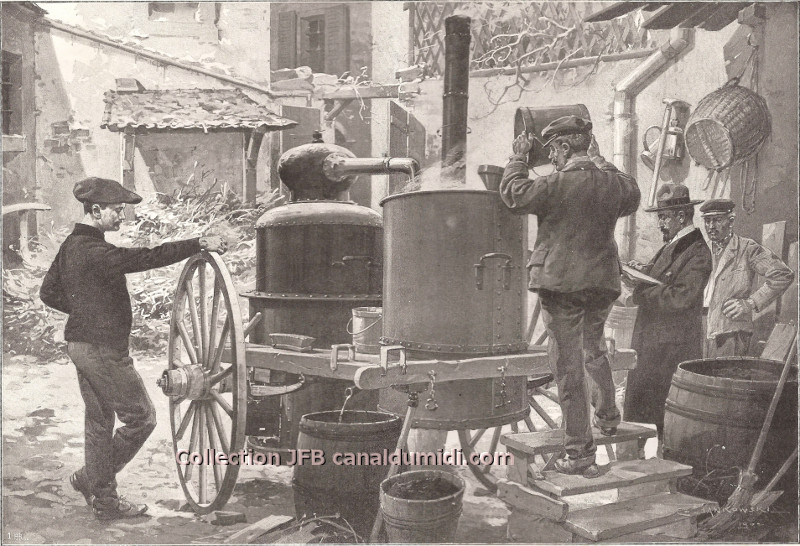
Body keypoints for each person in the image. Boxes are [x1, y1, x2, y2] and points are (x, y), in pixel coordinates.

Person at [39, 177, 228, 520]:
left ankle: (101, 496)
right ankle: (95, 483)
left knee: (99, 424)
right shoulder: (95, 250)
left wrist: (83, 310)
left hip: (80, 345)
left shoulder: (71, 245)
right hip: (102, 350)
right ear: (96, 211)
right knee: (142, 418)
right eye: (117, 210)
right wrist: (196, 243)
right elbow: (146, 257)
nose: (122, 217)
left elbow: (48, 293)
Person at [500, 115, 640, 476]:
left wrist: (518, 158)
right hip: (602, 283)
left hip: (561, 285)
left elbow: (513, 195)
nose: (552, 158)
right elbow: (633, 192)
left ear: (564, 146)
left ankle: (579, 454)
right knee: (594, 348)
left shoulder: (554, 185)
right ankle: (608, 416)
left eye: (553, 150)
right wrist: (601, 159)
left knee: (567, 365)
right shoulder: (613, 184)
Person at [622, 184, 712, 454]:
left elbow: (680, 298)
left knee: (666, 419)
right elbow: (660, 278)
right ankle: (636, 466)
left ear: (682, 216)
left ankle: (663, 470)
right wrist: (638, 272)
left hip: (671, 349)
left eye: (664, 217)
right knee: (641, 412)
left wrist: (640, 294)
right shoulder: (673, 245)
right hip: (654, 345)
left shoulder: (697, 251)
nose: (660, 222)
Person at [701, 198, 794, 358]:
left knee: (727, 378)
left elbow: (783, 274)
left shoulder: (747, 248)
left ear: (730, 221)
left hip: (731, 332)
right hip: (702, 328)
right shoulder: (702, 250)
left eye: (717, 220)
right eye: (707, 221)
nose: (711, 227)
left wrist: (750, 303)